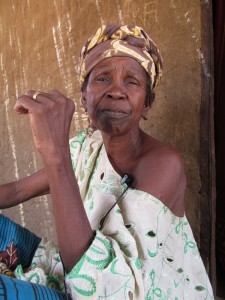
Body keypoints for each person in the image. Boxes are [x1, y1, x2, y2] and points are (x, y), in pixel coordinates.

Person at [0, 24, 213, 299]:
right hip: (72, 274)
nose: (116, 91)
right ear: (84, 98)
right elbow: (18, 190)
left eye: (131, 82)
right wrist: (62, 155)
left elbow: (102, 285)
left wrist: (56, 154)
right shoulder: (84, 149)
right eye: (102, 79)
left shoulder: (163, 164)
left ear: (147, 103)